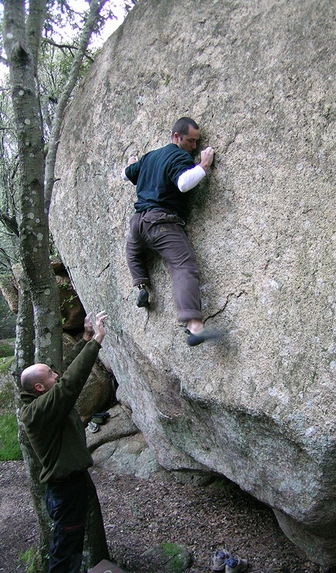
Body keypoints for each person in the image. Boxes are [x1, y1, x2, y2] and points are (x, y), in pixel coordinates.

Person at [20, 311, 109, 573]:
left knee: (70, 547)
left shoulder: (40, 399)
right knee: (65, 553)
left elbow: (62, 375)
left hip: (67, 488)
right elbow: (68, 383)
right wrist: (96, 343)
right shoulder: (38, 412)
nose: (55, 374)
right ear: (40, 388)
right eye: (50, 374)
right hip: (65, 491)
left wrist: (85, 337)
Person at [122, 117, 217, 346]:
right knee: (184, 265)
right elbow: (183, 183)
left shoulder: (149, 157)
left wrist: (131, 162)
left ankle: (141, 286)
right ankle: (194, 326)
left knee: (134, 252)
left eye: (197, 143)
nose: (194, 147)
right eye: (191, 141)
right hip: (161, 221)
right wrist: (203, 165)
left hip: (138, 223)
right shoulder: (178, 155)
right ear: (176, 137)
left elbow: (125, 174)